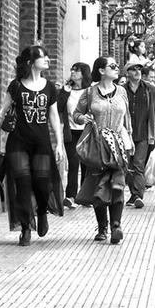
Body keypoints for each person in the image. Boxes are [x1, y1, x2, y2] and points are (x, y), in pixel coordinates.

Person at [0, 45, 64, 246]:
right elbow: (2, 112)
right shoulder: (16, 86)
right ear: (30, 62)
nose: (47, 59)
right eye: (42, 56)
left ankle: (42, 212)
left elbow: (54, 116)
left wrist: (59, 143)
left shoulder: (50, 88)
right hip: (18, 142)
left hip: (42, 143)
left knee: (41, 182)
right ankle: (25, 227)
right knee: (22, 183)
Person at [73, 56, 133, 244]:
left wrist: (129, 140)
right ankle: (102, 227)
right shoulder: (90, 93)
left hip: (118, 145)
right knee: (99, 185)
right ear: (101, 70)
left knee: (117, 185)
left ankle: (116, 225)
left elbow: (127, 120)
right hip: (97, 145)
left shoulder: (122, 91)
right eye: (112, 66)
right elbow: (76, 114)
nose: (117, 69)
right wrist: (83, 119)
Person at [123, 62, 155, 208]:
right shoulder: (121, 90)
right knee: (127, 166)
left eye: (139, 69)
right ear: (126, 73)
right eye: (133, 69)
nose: (137, 72)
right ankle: (133, 193)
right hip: (126, 134)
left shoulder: (149, 89)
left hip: (145, 134)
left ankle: (137, 195)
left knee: (138, 165)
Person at [57, 62, 92, 208]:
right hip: (70, 132)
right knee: (73, 163)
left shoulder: (90, 91)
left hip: (86, 131)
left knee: (86, 164)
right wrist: (64, 92)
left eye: (76, 71)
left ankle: (84, 196)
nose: (73, 72)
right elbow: (58, 108)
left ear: (84, 73)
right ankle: (70, 196)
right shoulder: (67, 90)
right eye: (72, 70)